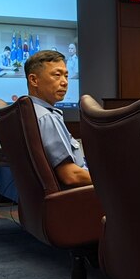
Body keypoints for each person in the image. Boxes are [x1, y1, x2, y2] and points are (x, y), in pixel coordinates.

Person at [24, 49, 90, 188]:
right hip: (78, 195)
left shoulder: (26, 113)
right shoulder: (47, 118)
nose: (65, 82)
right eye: (57, 75)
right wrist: (110, 178)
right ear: (34, 80)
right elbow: (70, 175)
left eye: (66, 76)